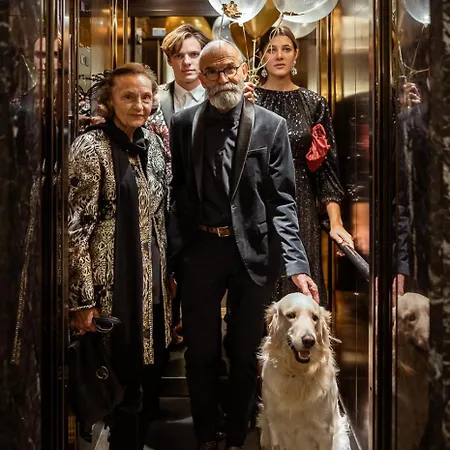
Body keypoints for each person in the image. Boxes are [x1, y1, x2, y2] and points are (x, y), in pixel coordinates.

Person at [169, 39, 318, 450]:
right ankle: (205, 431)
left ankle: (237, 431)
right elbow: (178, 191)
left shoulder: (271, 125)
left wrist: (296, 264)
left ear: (243, 70)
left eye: (229, 69)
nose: (222, 78)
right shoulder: (182, 124)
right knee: (200, 349)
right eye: (213, 71)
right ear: (202, 77)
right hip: (200, 249)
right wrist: (173, 258)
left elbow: (283, 200)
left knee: (245, 346)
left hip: (254, 251)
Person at [68, 63, 171, 450]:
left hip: (151, 284)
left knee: (145, 380)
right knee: (118, 383)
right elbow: (75, 230)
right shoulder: (89, 148)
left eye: (146, 97)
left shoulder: (153, 144)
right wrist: (83, 301)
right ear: (109, 101)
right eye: (128, 97)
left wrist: (168, 275)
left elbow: (159, 215)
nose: (139, 105)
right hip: (109, 288)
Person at [255, 26, 353, 304]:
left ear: (296, 54)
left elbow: (326, 168)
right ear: (260, 56)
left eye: (286, 49)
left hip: (301, 201)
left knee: (301, 286)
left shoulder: (313, 103)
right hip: (258, 198)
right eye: (271, 50)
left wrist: (336, 223)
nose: (279, 56)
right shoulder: (249, 100)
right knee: (260, 289)